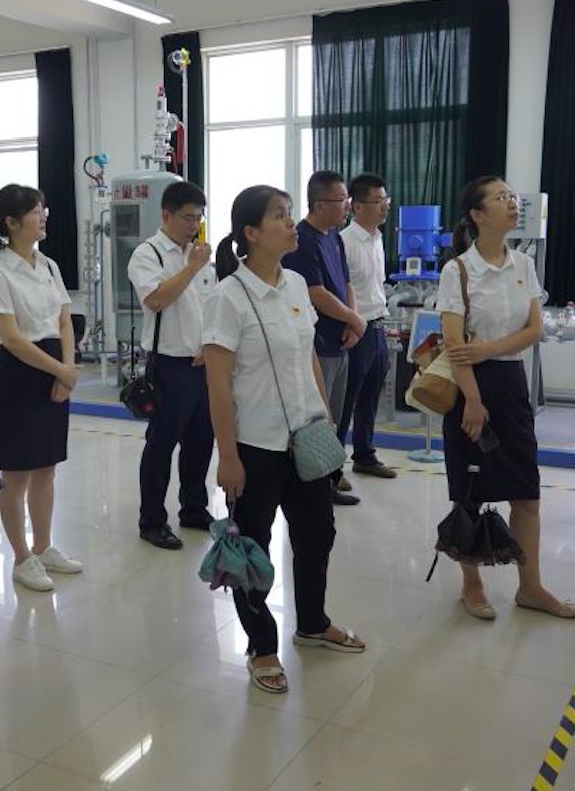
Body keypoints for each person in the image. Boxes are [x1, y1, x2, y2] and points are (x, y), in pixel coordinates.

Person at [204, 184, 366, 695]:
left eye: (290, 213)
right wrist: (227, 456)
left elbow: (309, 356)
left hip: (306, 438)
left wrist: (325, 421)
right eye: (280, 215)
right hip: (256, 446)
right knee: (251, 550)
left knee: (317, 534)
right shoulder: (227, 297)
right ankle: (262, 647)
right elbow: (217, 384)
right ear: (251, 233)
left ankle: (313, 623)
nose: (291, 222)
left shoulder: (295, 283)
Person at [438, 176, 575, 622]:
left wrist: (488, 349)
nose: (512, 203)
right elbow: (453, 343)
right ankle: (472, 584)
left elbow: (534, 328)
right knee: (470, 492)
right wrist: (473, 399)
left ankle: (530, 586)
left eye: (512, 197)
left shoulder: (523, 264)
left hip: (510, 382)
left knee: (526, 491)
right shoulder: (457, 270)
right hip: (470, 387)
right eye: (501, 198)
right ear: (478, 214)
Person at [0, 184, 84, 592]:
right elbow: (13, 338)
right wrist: (61, 370)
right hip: (20, 376)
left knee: (46, 468)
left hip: (55, 368)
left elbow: (64, 322)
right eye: (36, 211)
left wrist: (66, 370)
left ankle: (43, 547)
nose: (43, 217)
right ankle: (22, 558)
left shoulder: (49, 266)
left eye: (44, 210)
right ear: (11, 222)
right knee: (17, 475)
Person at [128, 181, 216, 550]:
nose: (194, 225)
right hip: (168, 365)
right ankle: (152, 520)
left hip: (203, 362)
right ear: (166, 215)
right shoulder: (148, 254)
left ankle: (194, 508)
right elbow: (156, 299)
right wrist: (192, 267)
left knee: (201, 441)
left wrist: (210, 345)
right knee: (161, 445)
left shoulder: (198, 254)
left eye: (199, 218)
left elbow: (212, 305)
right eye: (187, 218)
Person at [282, 170, 362, 506]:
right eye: (342, 200)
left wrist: (353, 321)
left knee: (337, 416)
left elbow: (346, 283)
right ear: (319, 204)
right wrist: (354, 319)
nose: (347, 206)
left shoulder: (334, 237)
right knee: (319, 419)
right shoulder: (302, 241)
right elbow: (315, 292)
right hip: (319, 346)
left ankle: (331, 476)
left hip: (342, 341)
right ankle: (318, 486)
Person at [338, 174, 399, 480]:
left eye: (385, 200)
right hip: (355, 331)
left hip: (377, 327)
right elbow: (340, 290)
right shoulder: (345, 242)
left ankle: (364, 455)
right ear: (357, 206)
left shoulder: (377, 238)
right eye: (378, 201)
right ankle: (333, 467)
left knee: (371, 397)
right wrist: (352, 322)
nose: (385, 206)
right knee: (345, 400)